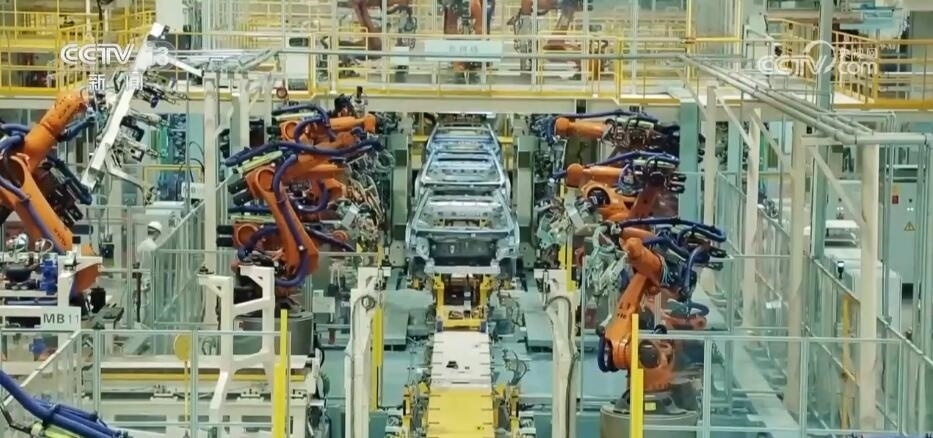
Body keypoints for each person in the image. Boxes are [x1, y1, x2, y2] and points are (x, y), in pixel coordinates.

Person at [134, 221, 162, 323]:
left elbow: (137, 263)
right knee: (152, 304)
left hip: (142, 278)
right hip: (152, 277)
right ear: (156, 233)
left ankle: (142, 324)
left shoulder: (140, 246)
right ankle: (151, 325)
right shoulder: (155, 248)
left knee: (143, 304)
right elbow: (158, 264)